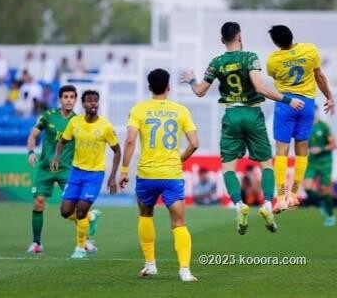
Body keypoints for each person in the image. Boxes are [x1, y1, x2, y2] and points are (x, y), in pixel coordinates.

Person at [181, 21, 303, 235]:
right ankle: (266, 205)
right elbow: (259, 87)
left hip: (231, 114)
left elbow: (200, 91)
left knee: (228, 168)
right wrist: (287, 100)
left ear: (222, 40)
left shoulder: (216, 62)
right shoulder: (250, 58)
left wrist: (191, 80)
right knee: (266, 163)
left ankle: (239, 205)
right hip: (253, 113)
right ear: (240, 36)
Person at [117, 68, 199, 281]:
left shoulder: (139, 110)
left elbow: (130, 141)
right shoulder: (181, 110)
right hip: (171, 175)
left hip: (147, 175)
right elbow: (194, 144)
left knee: (145, 215)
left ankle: (150, 264)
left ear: (149, 87)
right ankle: (185, 271)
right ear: (169, 87)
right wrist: (179, 159)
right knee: (179, 223)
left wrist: (124, 170)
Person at [266, 24, 335, 213]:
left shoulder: (273, 60)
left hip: (286, 104)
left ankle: (280, 198)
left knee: (281, 150)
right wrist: (329, 96)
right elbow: (319, 76)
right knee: (302, 150)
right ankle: (294, 195)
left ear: (275, 42)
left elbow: (273, 75)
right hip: (307, 105)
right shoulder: (310, 50)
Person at [25, 85, 98, 254]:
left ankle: (86, 239)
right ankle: (37, 243)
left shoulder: (79, 121)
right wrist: (30, 152)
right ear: (60, 99)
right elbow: (33, 136)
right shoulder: (48, 116)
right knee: (38, 203)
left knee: (74, 209)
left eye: (72, 97)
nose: (69, 100)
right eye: (65, 97)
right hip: (45, 168)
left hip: (67, 170)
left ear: (75, 100)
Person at [52, 90, 121, 259]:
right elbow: (62, 141)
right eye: (89, 101)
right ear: (83, 104)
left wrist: (112, 177)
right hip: (76, 173)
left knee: (80, 211)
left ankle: (80, 248)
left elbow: (117, 151)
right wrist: (56, 158)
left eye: (95, 101)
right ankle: (91, 217)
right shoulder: (75, 122)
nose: (93, 104)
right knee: (65, 211)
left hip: (95, 174)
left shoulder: (105, 126)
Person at [303, 105, 337, 226]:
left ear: (317, 112)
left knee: (324, 190)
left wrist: (321, 148)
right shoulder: (305, 127)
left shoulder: (324, 126)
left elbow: (334, 145)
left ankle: (330, 215)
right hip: (312, 162)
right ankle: (322, 203)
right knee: (307, 187)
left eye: (314, 111)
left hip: (325, 163)